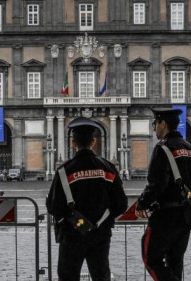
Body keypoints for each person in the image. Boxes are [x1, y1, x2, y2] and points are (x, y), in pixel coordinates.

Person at [46, 117, 128, 281]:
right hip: (101, 233)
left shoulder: (64, 171)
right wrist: (104, 217)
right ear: (93, 141)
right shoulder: (108, 168)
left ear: (73, 143)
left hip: (71, 234)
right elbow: (121, 204)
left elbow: (54, 207)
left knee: (68, 276)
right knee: (101, 275)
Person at [135, 108, 191, 281]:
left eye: (155, 124)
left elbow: (156, 184)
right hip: (186, 215)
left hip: (166, 217)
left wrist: (141, 204)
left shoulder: (163, 148)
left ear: (163, 123)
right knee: (175, 261)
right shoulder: (189, 149)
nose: (154, 128)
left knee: (151, 259)